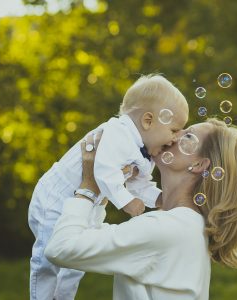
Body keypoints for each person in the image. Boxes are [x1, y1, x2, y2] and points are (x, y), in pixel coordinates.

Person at [45, 118, 237, 300]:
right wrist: (105, 189)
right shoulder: (182, 225)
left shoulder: (166, 229)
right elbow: (87, 237)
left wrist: (89, 185)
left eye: (187, 136)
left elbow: (62, 248)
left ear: (199, 165)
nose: (174, 135)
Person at [28, 74, 189, 300]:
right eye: (174, 130)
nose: (174, 139)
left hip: (86, 205)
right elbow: (104, 170)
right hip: (54, 198)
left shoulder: (145, 153)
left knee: (76, 262)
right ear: (148, 121)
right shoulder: (118, 133)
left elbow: (140, 186)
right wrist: (126, 202)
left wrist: (161, 199)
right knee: (47, 257)